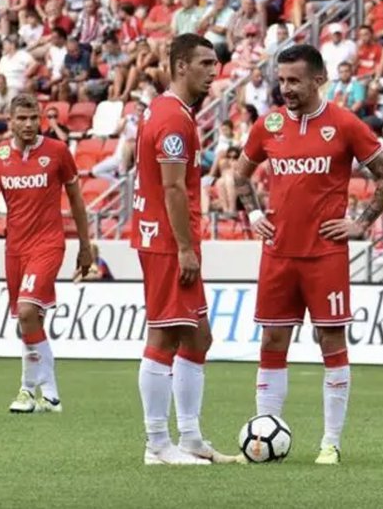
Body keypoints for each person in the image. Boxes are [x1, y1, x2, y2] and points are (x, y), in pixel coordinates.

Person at [233, 44, 383, 466]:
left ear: (318, 80)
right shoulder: (268, 125)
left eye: (294, 80)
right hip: (278, 253)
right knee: (272, 340)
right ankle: (263, 437)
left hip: (325, 254)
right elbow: (240, 174)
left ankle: (330, 442)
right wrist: (254, 211)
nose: (286, 88)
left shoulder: (344, 123)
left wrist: (361, 223)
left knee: (331, 341)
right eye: (282, 79)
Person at [130, 33, 240, 465]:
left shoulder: (171, 112)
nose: (215, 72)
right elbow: (173, 187)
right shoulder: (173, 119)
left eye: (215, 64)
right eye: (205, 63)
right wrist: (184, 248)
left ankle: (190, 437)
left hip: (169, 237)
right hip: (166, 242)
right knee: (165, 334)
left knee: (199, 336)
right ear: (180, 66)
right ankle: (157, 444)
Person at [0, 94, 93, 413]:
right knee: (28, 322)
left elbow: (76, 201)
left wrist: (86, 246)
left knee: (29, 311)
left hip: (48, 243)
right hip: (15, 247)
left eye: (34, 118)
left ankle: (28, 389)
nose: (30, 124)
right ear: (11, 120)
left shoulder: (58, 152)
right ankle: (46, 394)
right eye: (23, 118)